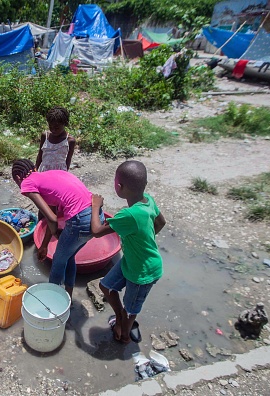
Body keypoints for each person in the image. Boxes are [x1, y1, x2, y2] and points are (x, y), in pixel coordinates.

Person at [90, 160, 166, 344]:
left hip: (143, 273)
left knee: (130, 309)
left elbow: (97, 231)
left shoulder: (128, 215)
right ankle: (120, 318)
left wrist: (96, 206)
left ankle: (123, 334)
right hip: (133, 261)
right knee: (106, 286)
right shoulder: (147, 200)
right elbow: (161, 222)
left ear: (119, 186)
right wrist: (143, 241)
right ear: (144, 184)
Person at [11, 159, 103, 298]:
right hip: (97, 216)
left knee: (58, 261)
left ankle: (53, 302)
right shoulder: (52, 175)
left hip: (80, 220)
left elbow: (52, 219)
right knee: (68, 256)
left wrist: (55, 232)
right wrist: (44, 245)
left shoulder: (26, 183)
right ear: (35, 168)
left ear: (18, 178)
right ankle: (68, 298)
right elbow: (52, 216)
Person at [35, 106, 76, 172]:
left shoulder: (69, 141)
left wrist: (66, 174)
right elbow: (40, 155)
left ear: (65, 124)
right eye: (50, 127)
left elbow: (68, 161)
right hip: (45, 171)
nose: (53, 130)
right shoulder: (45, 136)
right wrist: (35, 169)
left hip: (60, 172)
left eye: (57, 128)